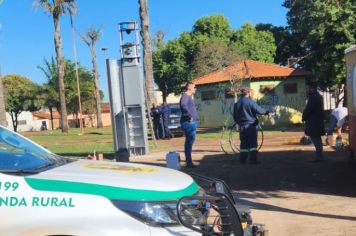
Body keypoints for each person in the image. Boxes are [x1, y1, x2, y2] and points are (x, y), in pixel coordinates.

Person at [233, 87, 269, 164]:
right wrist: (266, 112)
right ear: (248, 93)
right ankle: (253, 160)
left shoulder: (237, 104)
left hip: (242, 126)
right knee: (252, 144)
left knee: (243, 143)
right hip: (251, 126)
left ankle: (242, 160)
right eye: (251, 93)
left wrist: (239, 123)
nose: (252, 94)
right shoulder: (250, 102)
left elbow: (235, 116)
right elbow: (259, 110)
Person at [302, 83, 325, 162]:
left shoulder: (313, 97)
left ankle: (319, 157)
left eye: (308, 88)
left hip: (313, 121)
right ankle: (320, 156)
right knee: (317, 138)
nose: (307, 90)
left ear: (313, 88)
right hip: (317, 120)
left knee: (315, 138)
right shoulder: (318, 96)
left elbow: (308, 109)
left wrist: (303, 117)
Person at [180, 82, 198, 168]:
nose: (195, 89)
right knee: (189, 142)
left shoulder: (188, 96)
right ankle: (189, 162)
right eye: (194, 87)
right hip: (189, 123)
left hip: (191, 122)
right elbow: (183, 105)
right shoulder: (185, 96)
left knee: (190, 142)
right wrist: (189, 116)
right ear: (190, 88)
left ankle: (189, 161)